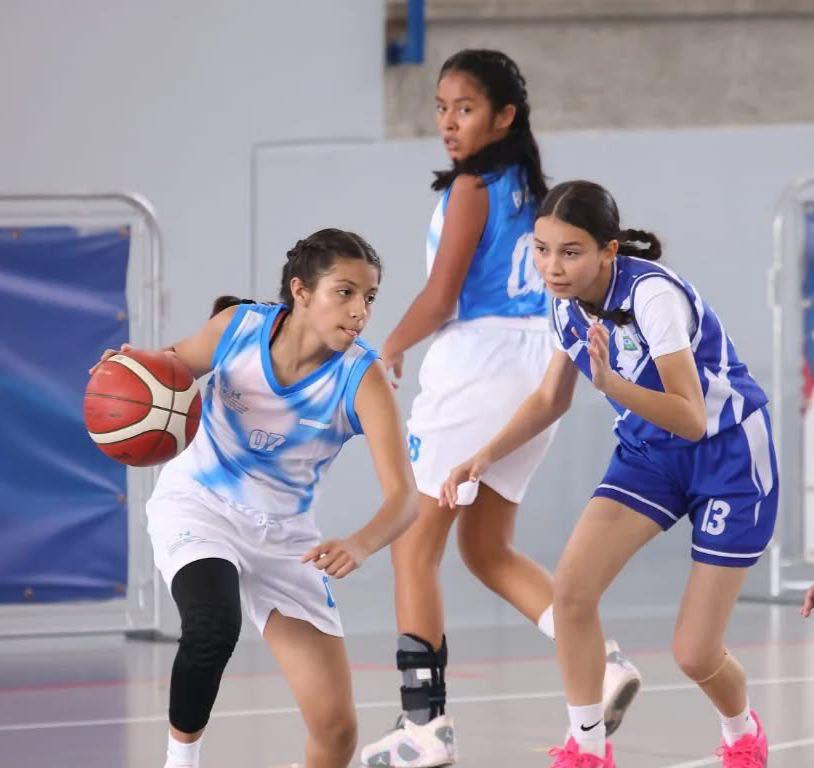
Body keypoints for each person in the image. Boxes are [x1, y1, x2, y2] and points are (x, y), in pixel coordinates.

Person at [360, 52, 639, 768]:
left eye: (466, 108)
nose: (450, 123)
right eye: (441, 107)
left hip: (477, 368)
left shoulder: (471, 187)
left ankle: (424, 727)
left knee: (411, 545)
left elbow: (444, 295)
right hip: (533, 364)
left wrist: (387, 345)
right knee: (485, 549)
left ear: (504, 115)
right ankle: (600, 663)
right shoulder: (528, 185)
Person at [444, 180, 777, 768]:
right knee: (571, 594)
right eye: (542, 250)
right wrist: (484, 454)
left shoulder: (652, 298)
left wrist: (614, 385)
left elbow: (693, 418)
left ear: (609, 251)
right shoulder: (562, 303)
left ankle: (742, 731)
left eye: (570, 252)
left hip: (727, 458)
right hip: (650, 455)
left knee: (695, 654)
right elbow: (550, 399)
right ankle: (588, 749)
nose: (553, 266)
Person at [92, 229, 418, 768]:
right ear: (301, 290)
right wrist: (125, 373)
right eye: (345, 292)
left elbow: (405, 497)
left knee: (336, 732)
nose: (360, 310)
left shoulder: (362, 378)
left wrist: (361, 544)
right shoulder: (237, 328)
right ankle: (181, 761)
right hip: (200, 506)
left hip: (285, 537)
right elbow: (165, 369)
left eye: (370, 297)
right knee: (214, 626)